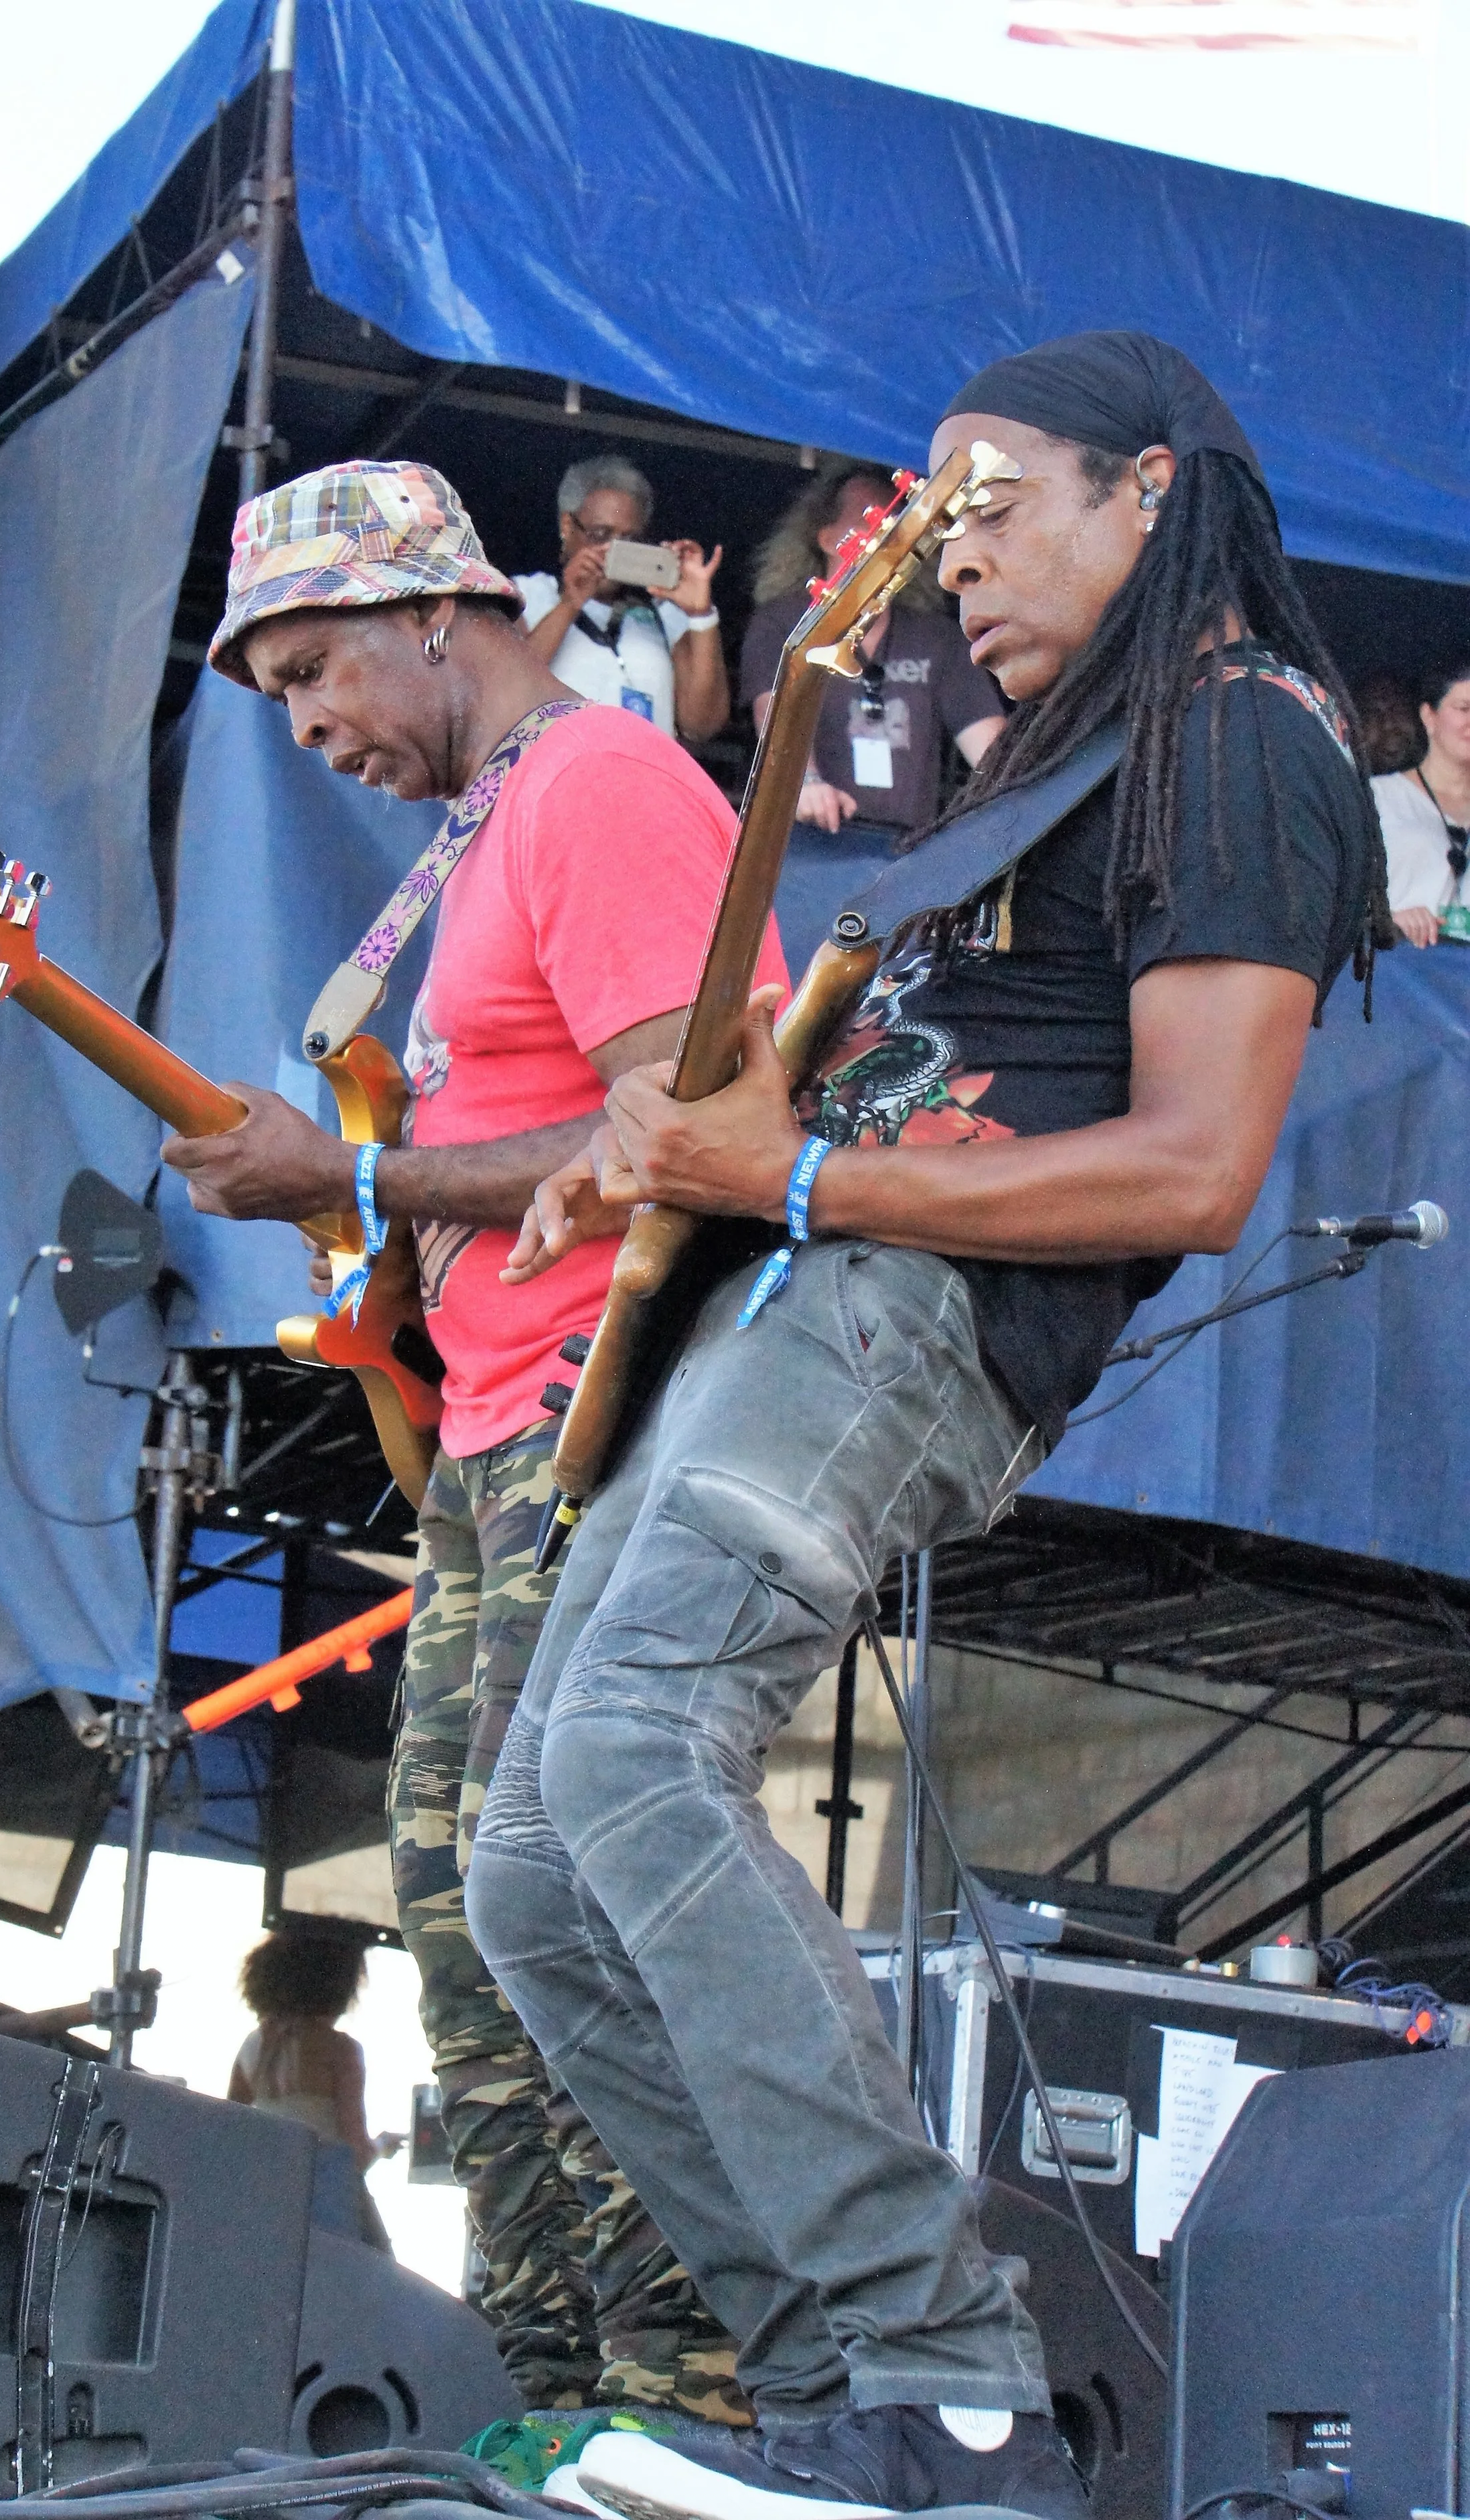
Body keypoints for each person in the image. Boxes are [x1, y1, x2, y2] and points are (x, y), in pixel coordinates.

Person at [461, 332, 1388, 2520]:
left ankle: (948, 2380)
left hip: (904, 1322)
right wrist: (673, 1131)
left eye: (989, 499)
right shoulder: (1043, 782)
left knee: (622, 1756)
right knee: (527, 1873)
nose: (946, 555)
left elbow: (1189, 1170)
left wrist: (787, 1180)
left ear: (1143, 487)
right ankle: (843, 2405)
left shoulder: (1242, 743)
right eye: (926, 513)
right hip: (781, 1300)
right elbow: (838, 1085)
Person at [163, 457, 784, 2421]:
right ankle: (547, 2396)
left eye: (315, 670)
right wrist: (392, 1237)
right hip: (500, 1444)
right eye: (274, 696)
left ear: (437, 612)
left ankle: (683, 2394)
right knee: (457, 1914)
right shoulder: (486, 835)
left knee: (559, 1914)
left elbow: (708, 1126)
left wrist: (359, 1163)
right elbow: (515, 1152)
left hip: (611, 1439)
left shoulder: (596, 787)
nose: (309, 725)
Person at [739, 463, 1007, 841]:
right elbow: (773, 715)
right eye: (868, 519)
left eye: (895, 523)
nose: (883, 531)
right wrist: (807, 783)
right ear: (827, 537)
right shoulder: (782, 623)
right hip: (808, 843)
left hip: (903, 849)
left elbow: (992, 751)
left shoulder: (937, 638)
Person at [515, 455, 730, 745]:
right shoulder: (532, 595)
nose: (612, 550)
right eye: (600, 534)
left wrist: (701, 615)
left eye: (628, 540)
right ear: (567, 526)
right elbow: (509, 689)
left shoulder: (662, 614)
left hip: (644, 785)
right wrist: (570, 604)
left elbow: (702, 725)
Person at [228, 1923, 402, 2253]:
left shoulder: (251, 2047)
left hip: (265, 2203)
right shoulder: (341, 2050)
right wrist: (383, 2145)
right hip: (325, 2207)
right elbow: (356, 2155)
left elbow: (230, 2128)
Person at [1374, 660, 1470, 947]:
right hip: (1403, 975)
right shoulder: (1378, 797)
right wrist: (1385, 920)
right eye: (1464, 709)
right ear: (1429, 716)